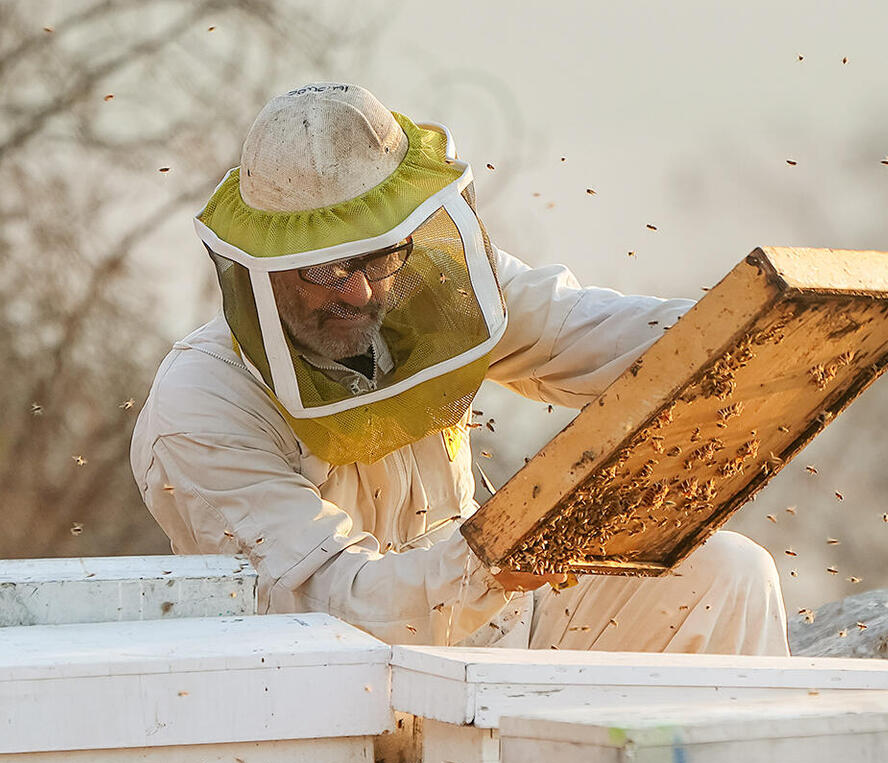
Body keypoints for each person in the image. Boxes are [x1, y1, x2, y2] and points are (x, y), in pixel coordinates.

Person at [131, 84, 787, 654]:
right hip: (334, 699)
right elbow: (337, 605)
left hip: (500, 636)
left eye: (380, 256)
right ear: (263, 268)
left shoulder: (434, 302)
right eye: (326, 268)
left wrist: (751, 329)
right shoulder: (205, 405)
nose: (359, 292)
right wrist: (493, 560)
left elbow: (590, 332)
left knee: (730, 575)